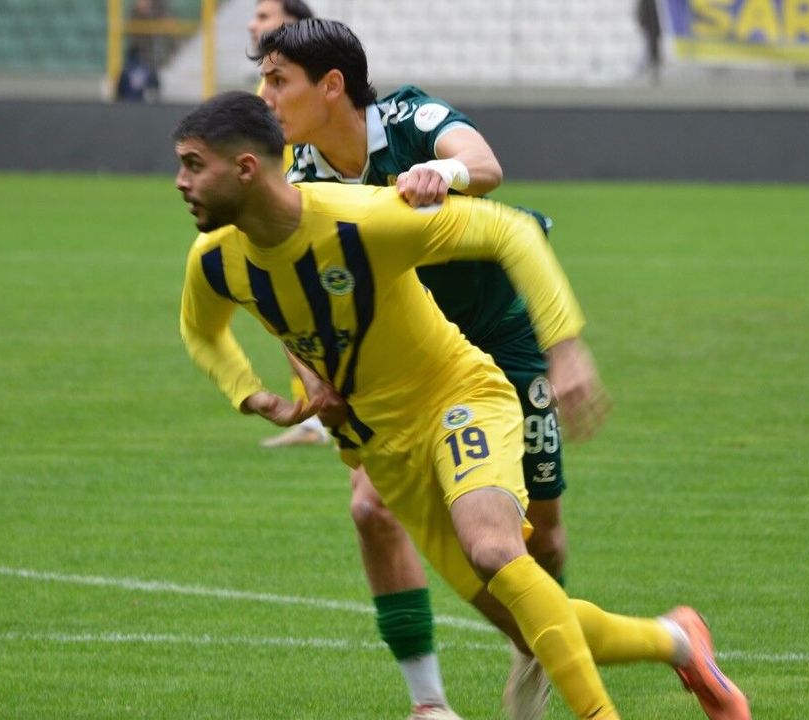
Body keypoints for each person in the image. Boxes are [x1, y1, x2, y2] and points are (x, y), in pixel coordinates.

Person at [175, 90, 750, 720]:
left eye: (194, 165)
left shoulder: (361, 221)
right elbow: (203, 331)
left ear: (246, 168)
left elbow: (511, 230)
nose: (180, 182)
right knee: (524, 623)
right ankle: (677, 641)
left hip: (459, 398)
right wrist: (251, 392)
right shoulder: (215, 263)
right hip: (384, 450)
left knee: (494, 549)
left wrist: (565, 348)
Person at [252, 18, 552, 720]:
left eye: (277, 81)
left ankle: (545, 644)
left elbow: (484, 163)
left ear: (332, 86)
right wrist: (312, 380)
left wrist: (442, 173)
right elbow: (281, 292)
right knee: (370, 509)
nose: (263, 99)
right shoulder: (297, 180)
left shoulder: (409, 118)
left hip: (495, 332)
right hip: (405, 360)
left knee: (544, 533)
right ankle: (429, 704)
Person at [245, 0, 324, 448]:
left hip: (312, 205)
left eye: (263, 16)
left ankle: (324, 413)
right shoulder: (269, 83)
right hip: (288, 206)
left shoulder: (308, 80)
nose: (252, 24)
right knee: (287, 309)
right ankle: (316, 414)